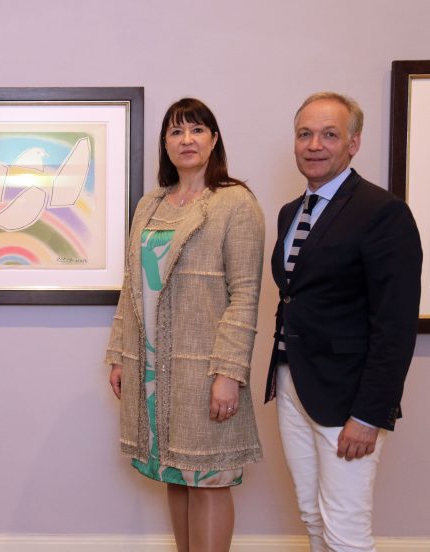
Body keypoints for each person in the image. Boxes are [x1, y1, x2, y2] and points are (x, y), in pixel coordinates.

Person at [265, 92, 422, 551]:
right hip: (293, 383)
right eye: (305, 134)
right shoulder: (291, 213)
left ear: (353, 143)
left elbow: (395, 325)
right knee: (313, 516)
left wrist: (370, 414)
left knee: (345, 529)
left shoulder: (383, 212)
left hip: (348, 398)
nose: (315, 145)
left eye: (329, 134)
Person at [106, 98, 264, 551]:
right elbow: (130, 285)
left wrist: (229, 374)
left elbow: (246, 295)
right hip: (154, 367)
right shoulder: (150, 204)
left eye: (197, 130)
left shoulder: (235, 203)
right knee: (173, 472)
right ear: (165, 145)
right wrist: (120, 355)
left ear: (214, 140)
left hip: (205, 367)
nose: (187, 139)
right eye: (176, 132)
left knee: (208, 477)